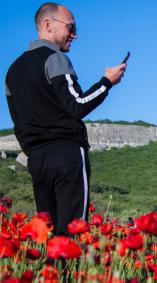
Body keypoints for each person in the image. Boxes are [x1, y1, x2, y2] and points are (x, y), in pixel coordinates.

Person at [5, 3, 126, 235]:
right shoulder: (55, 58)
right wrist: (107, 82)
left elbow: (18, 124)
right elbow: (77, 105)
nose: (75, 34)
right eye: (70, 27)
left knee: (48, 233)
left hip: (37, 160)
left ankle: (50, 273)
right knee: (72, 232)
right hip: (67, 153)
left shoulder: (12, 71)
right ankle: (69, 272)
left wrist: (33, 152)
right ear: (48, 25)